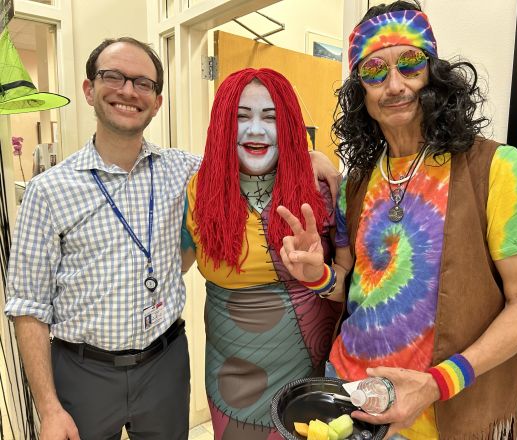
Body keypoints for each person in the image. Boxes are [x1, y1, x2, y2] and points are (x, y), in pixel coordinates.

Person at [4, 37, 339, 440]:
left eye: (143, 83)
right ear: (89, 89)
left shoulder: (182, 171)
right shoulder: (47, 191)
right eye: (113, 77)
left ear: (158, 100)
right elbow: (27, 307)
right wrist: (48, 407)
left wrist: (309, 156)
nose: (128, 91)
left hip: (163, 365)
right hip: (84, 370)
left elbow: (246, 158)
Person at [277, 1, 517, 438]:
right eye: (374, 71)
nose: (394, 85)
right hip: (350, 394)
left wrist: (435, 382)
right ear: (360, 93)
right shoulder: (356, 184)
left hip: (440, 413)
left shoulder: (496, 168)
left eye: (409, 64)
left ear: (434, 74)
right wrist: (318, 276)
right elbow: (353, 287)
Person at [180, 68, 343, 440]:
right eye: (241, 117)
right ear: (223, 124)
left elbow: (353, 292)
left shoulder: (323, 189)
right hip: (232, 375)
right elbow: (176, 263)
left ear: (288, 125)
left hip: (311, 367)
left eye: (270, 117)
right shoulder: (197, 189)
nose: (256, 130)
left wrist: (319, 277)